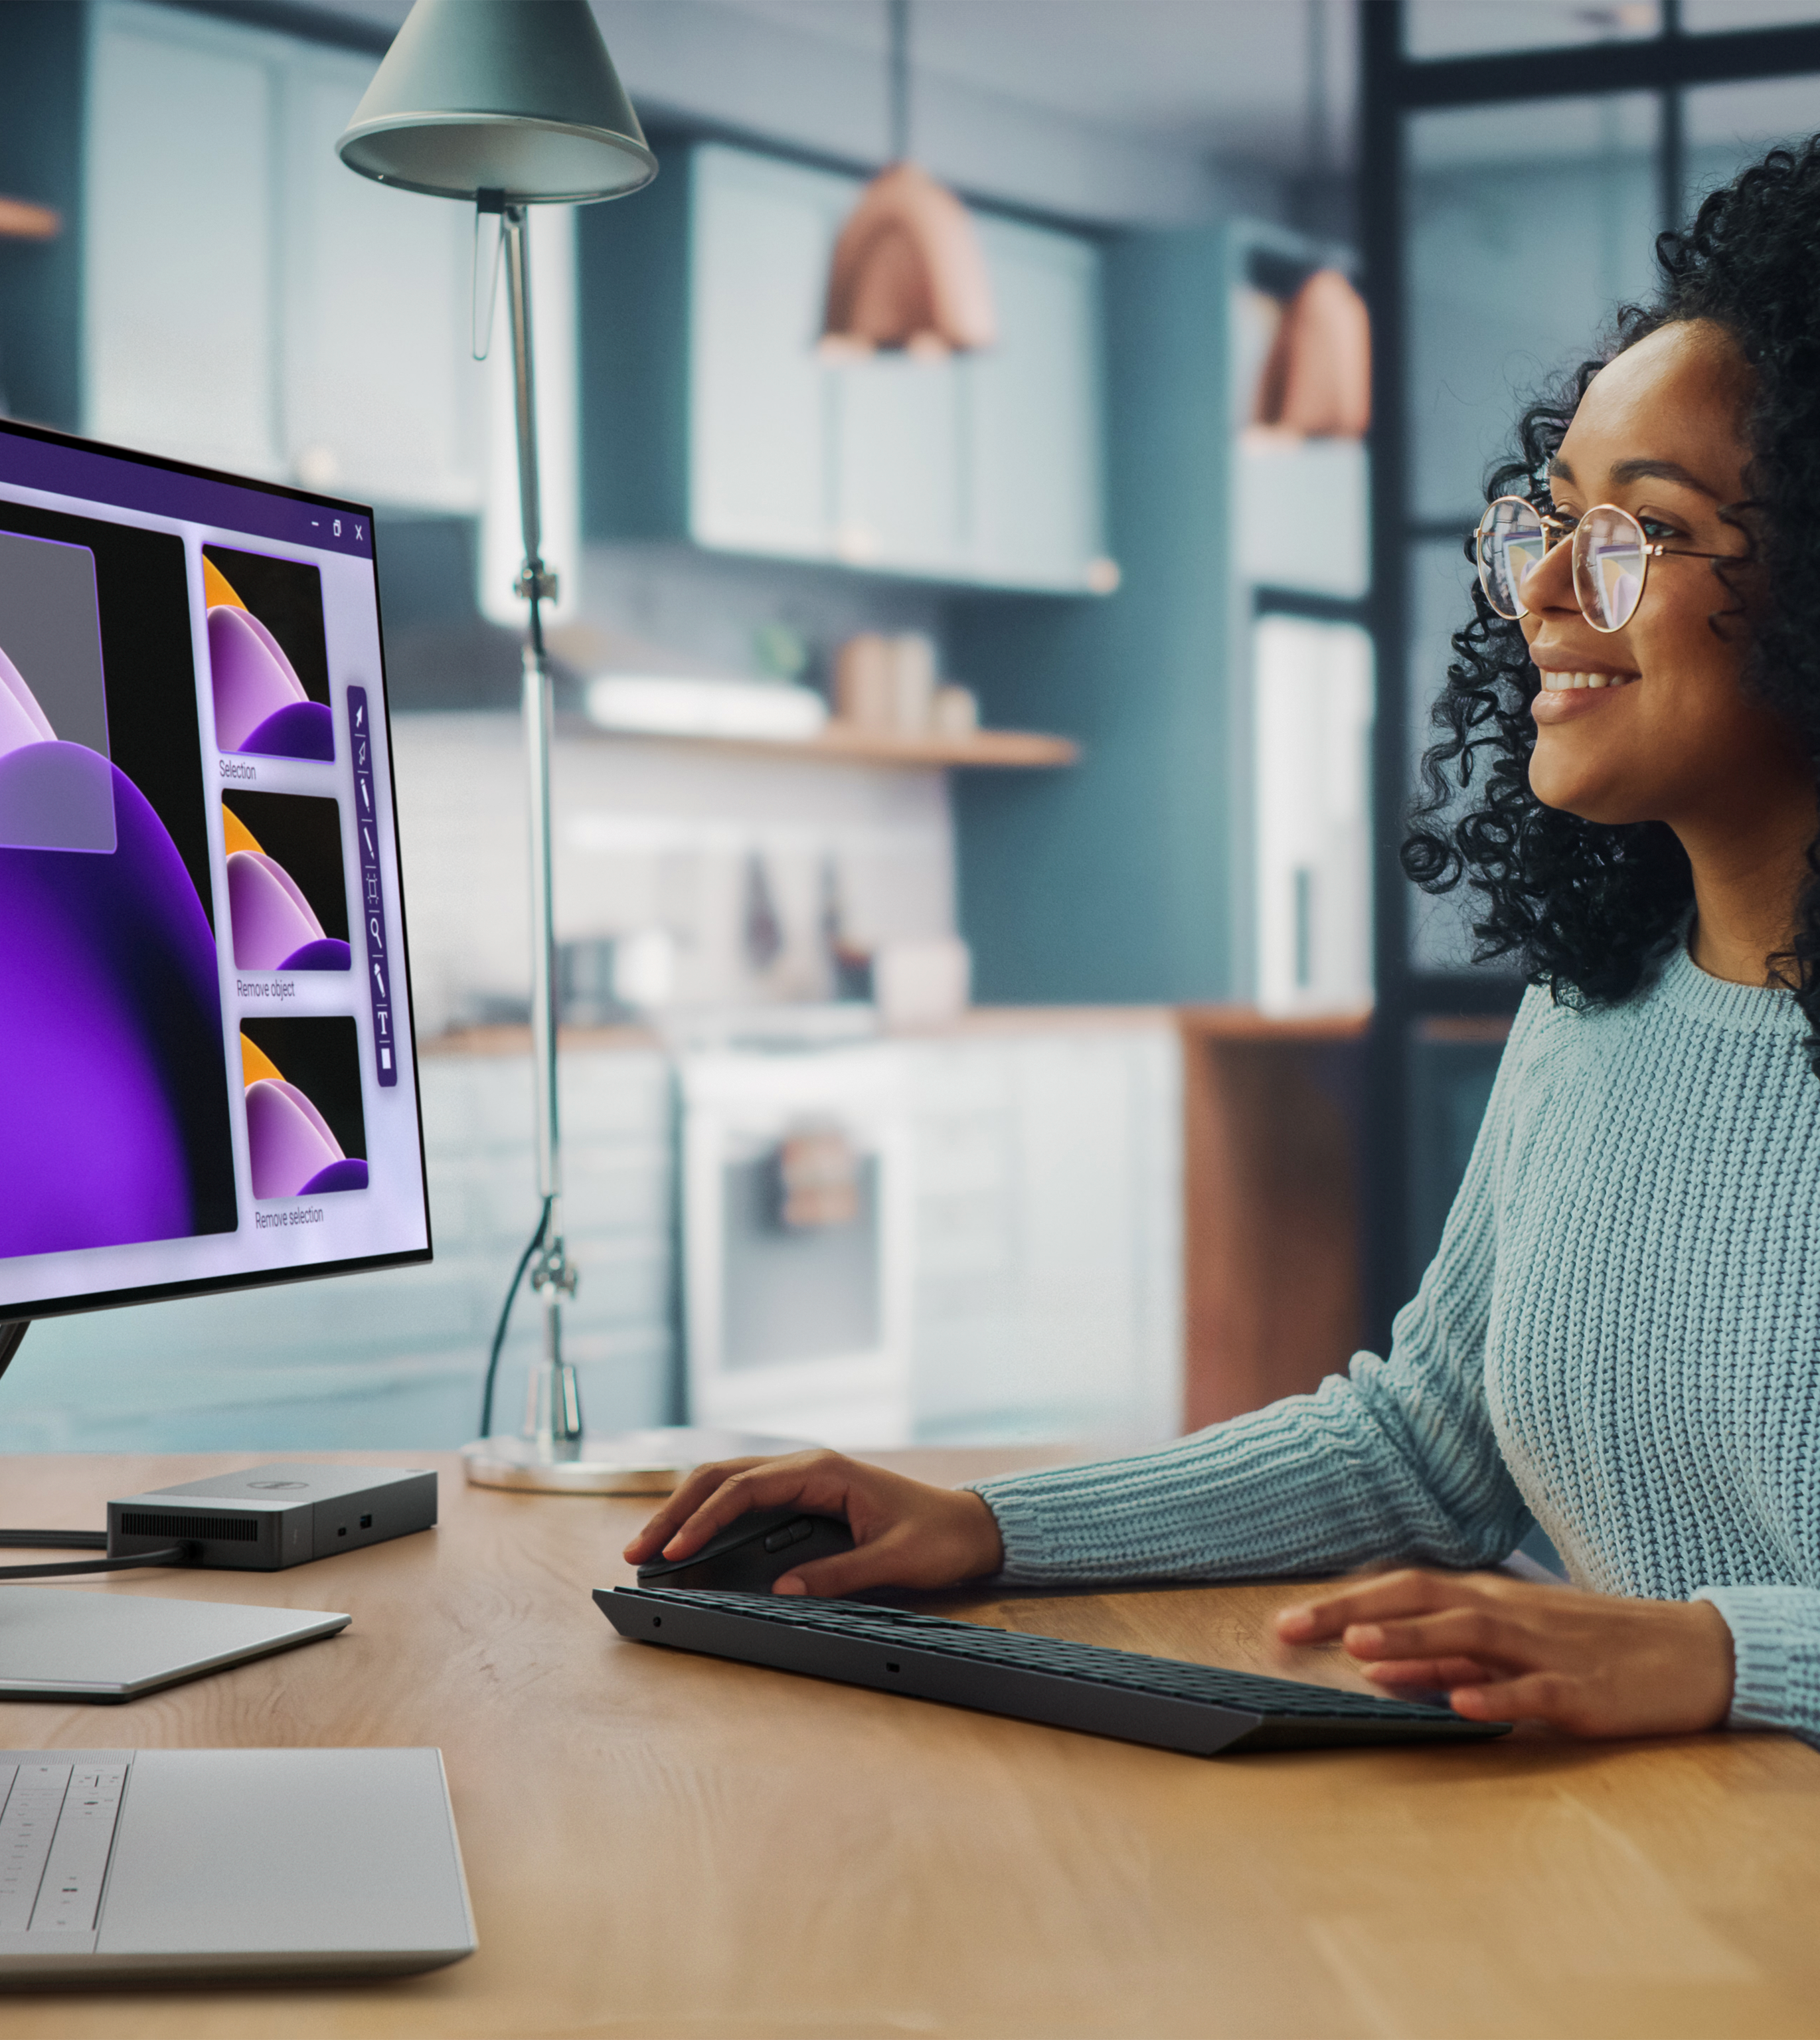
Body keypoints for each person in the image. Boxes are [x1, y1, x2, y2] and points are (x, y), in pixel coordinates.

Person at [627, 139, 1820, 1747]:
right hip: (1632, 1879)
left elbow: (1684, 1641)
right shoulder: (1594, 1011)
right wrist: (985, 1524)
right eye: (1548, 520)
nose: (1543, 587)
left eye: (1638, 532)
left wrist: (1717, 1657)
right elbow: (1423, 1448)